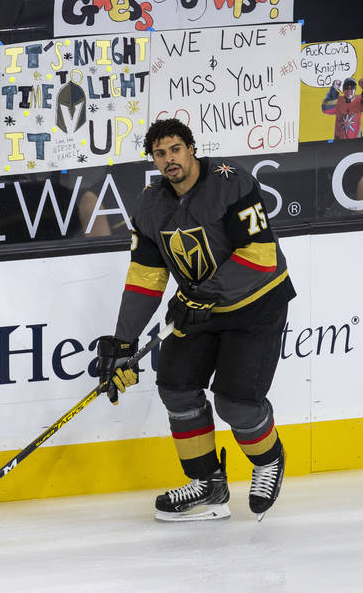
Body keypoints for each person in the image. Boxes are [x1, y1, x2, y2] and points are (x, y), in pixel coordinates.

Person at [95, 118, 296, 522]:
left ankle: (269, 460)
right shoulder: (151, 205)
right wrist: (123, 342)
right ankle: (208, 484)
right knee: (176, 388)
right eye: (159, 153)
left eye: (175, 149)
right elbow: (146, 276)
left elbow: (260, 255)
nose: (169, 159)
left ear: (191, 149)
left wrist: (199, 294)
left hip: (255, 305)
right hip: (200, 306)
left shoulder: (230, 181)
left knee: (236, 403)